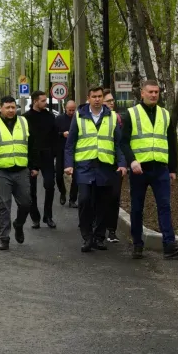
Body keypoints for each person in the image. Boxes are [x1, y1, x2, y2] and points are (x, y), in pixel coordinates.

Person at [121, 80, 178, 259]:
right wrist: (132, 161)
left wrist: (172, 168)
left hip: (160, 169)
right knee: (136, 208)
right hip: (139, 170)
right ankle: (137, 244)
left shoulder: (165, 114)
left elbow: (171, 143)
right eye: (150, 92)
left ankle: (169, 244)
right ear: (142, 93)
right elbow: (123, 141)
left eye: (156, 92)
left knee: (164, 206)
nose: (153, 95)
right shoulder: (131, 114)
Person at [64, 86, 127, 253]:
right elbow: (70, 144)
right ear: (88, 98)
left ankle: (99, 237)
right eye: (94, 96)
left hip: (105, 167)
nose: (97, 99)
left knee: (102, 204)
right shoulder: (79, 115)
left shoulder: (112, 117)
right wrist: (68, 164)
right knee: (84, 201)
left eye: (100, 96)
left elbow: (118, 144)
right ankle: (87, 237)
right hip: (85, 166)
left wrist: (122, 163)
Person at [0, 96, 38, 251]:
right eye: (8, 107)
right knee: (4, 205)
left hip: (21, 170)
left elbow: (32, 146)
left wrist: (34, 166)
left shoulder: (24, 123)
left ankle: (18, 224)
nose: (11, 110)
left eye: (13, 107)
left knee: (26, 203)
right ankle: (4, 238)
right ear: (0, 108)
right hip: (0, 171)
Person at [22, 91, 57, 229]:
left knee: (49, 185)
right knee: (31, 190)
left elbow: (55, 134)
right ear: (35, 101)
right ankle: (35, 217)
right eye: (43, 100)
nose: (45, 103)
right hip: (32, 157)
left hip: (47, 155)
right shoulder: (26, 118)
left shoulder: (49, 116)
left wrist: (54, 152)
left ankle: (48, 216)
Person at [103, 89, 122, 243]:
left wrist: (123, 163)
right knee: (99, 197)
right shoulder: (93, 119)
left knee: (114, 197)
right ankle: (98, 228)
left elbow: (121, 142)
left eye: (112, 100)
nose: (111, 103)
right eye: (108, 101)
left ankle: (112, 230)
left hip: (115, 164)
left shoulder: (117, 118)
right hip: (100, 165)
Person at [55, 100, 78, 208]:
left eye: (73, 110)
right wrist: (62, 134)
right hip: (61, 150)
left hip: (75, 151)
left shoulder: (78, 119)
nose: (72, 112)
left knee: (76, 177)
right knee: (59, 175)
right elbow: (53, 133)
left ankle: (73, 199)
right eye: (70, 110)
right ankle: (63, 192)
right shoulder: (59, 119)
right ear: (65, 108)